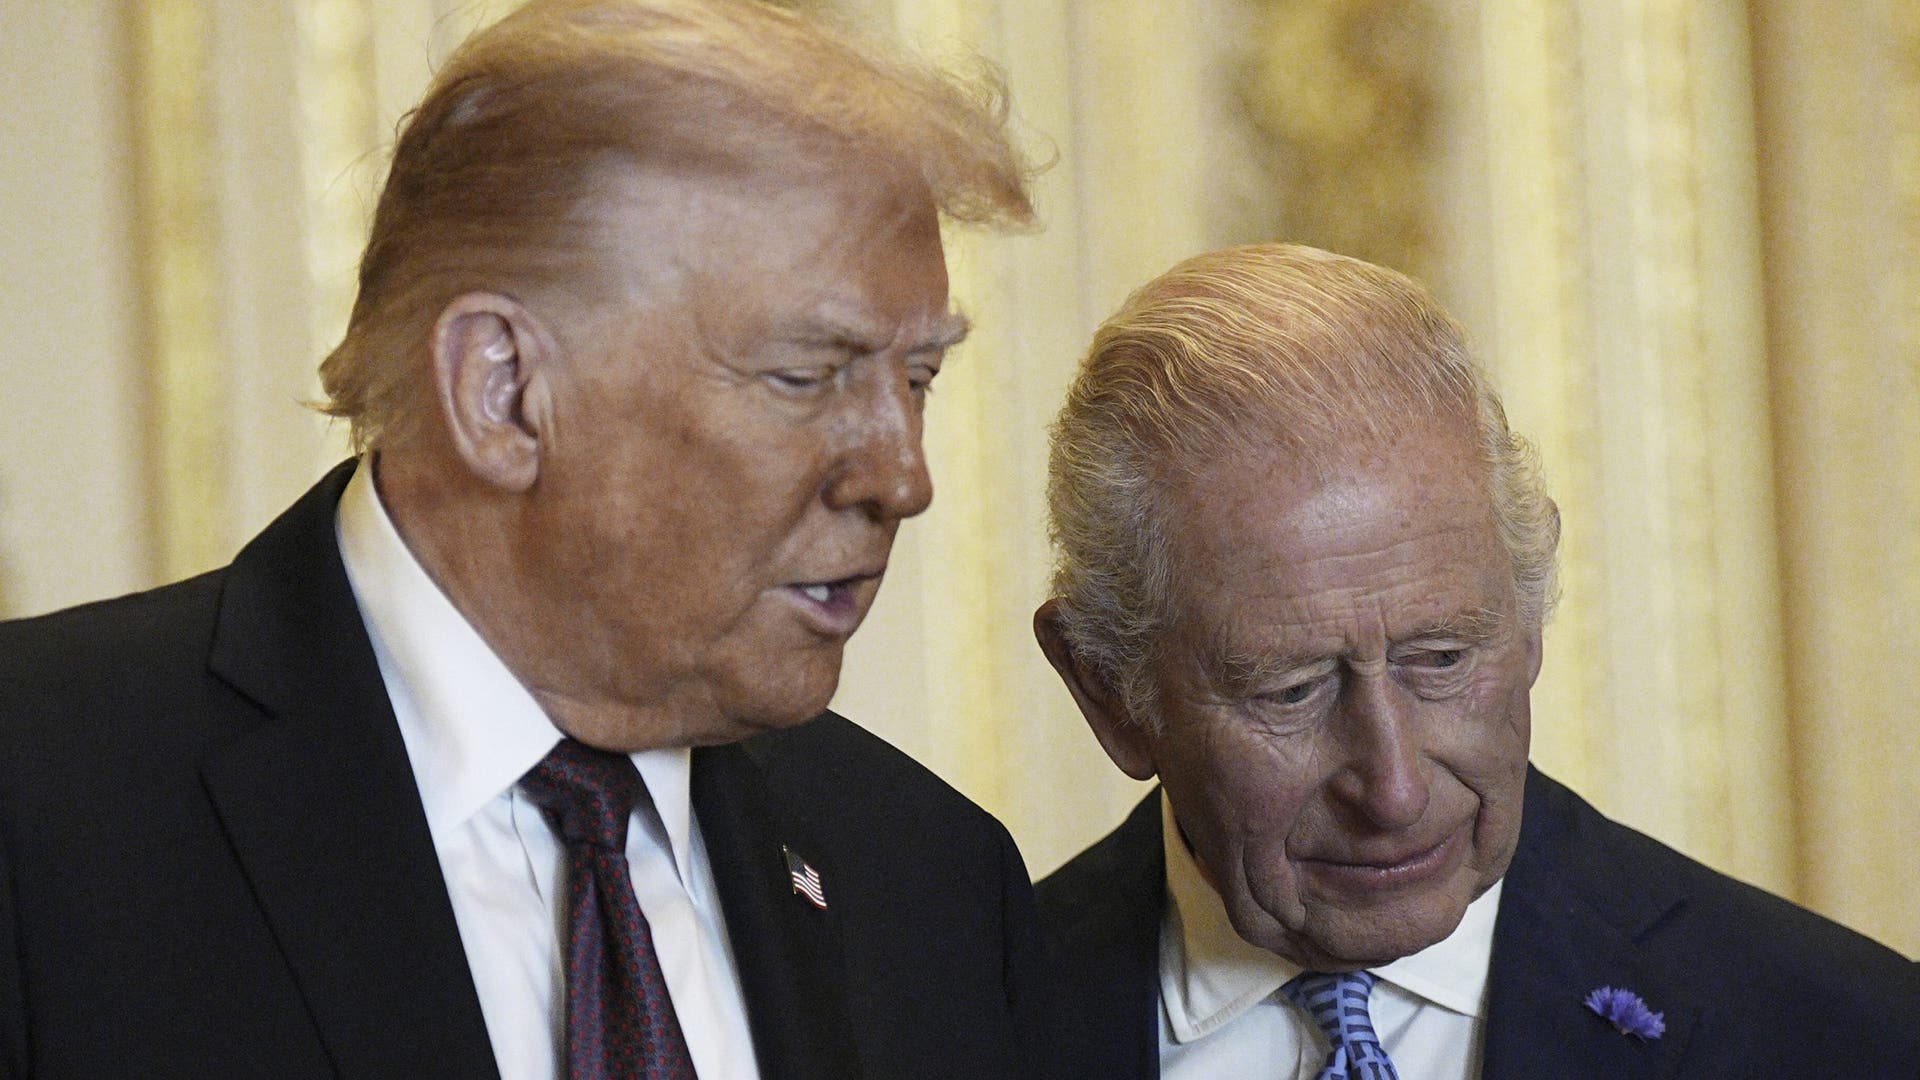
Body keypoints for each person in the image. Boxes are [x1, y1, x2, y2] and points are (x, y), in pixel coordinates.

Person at [0, 1, 1044, 1077]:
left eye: (916, 379)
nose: (902, 477)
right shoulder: (40, 804)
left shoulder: (933, 883)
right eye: (804, 376)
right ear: (501, 393)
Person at [1032, 243, 1920, 1079]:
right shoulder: (954, 1026)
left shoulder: (1846, 1037)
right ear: (1106, 691)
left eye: (1443, 659)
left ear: (1529, 618)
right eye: (1291, 690)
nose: (1394, 791)